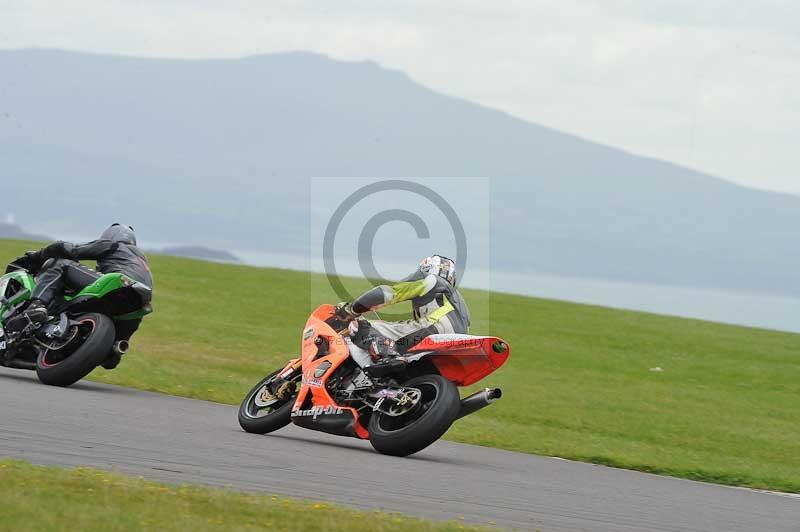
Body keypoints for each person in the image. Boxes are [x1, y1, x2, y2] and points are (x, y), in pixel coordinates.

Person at [21, 223, 153, 367]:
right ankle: (115, 348)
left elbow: (68, 249)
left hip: (116, 284)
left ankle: (36, 305)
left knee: (62, 264)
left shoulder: (113, 245)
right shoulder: (142, 262)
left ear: (111, 236)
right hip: (138, 300)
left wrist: (37, 256)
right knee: (112, 357)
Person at [336, 255, 469, 376]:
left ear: (426, 268)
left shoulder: (430, 279)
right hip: (458, 345)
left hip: (436, 328)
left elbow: (386, 294)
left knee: (360, 325)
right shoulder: (458, 301)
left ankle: (388, 355)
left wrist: (351, 310)